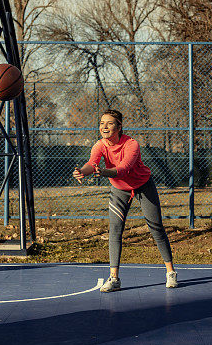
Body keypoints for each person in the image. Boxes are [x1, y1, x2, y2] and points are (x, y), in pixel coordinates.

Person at [73, 109, 177, 292]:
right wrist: (82, 171)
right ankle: (114, 279)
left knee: (156, 227)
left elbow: (123, 169)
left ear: (119, 126)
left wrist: (103, 172)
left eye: (109, 123)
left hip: (143, 186)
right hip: (119, 189)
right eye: (101, 123)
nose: (104, 127)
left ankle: (170, 273)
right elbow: (92, 163)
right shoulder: (100, 145)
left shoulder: (131, 144)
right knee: (115, 230)